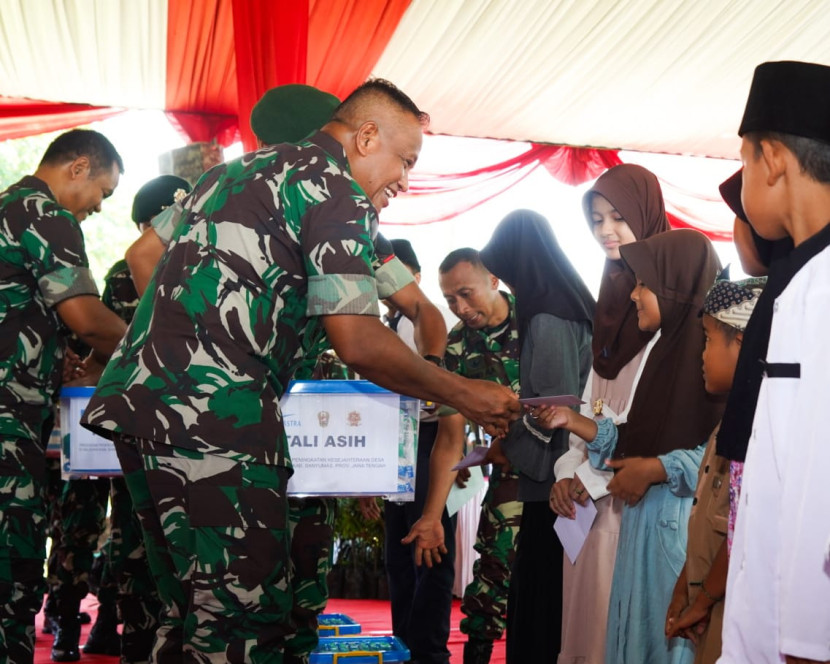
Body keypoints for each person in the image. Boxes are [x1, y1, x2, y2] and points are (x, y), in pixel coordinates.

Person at [81, 79, 519, 662]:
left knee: (188, 615)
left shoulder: (236, 171)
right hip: (218, 419)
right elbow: (358, 340)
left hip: (142, 412)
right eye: (406, 160)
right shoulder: (337, 191)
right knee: (246, 621)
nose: (406, 180)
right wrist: (463, 392)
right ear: (366, 137)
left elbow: (145, 256)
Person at [534, 228, 722, 664]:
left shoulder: (714, 363)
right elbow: (633, 438)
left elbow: (721, 465)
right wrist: (575, 421)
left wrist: (658, 469)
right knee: (629, 642)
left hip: (673, 533)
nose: (634, 295)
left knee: (663, 645)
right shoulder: (660, 359)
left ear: (674, 286)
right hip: (640, 529)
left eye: (644, 283)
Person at [0, 128, 127, 663]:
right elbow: (85, 316)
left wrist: (55, 358)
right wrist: (157, 348)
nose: (98, 208)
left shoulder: (8, 206)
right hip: (8, 423)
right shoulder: (46, 214)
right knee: (12, 569)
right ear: (78, 167)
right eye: (103, 192)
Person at [718, 60, 830, 664]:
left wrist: (810, 644)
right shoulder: (804, 277)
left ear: (773, 160)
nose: (743, 179)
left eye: (743, 161)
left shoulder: (826, 287)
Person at [550, 163, 670, 664]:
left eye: (618, 216)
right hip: (584, 506)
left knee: (613, 633)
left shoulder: (667, 313)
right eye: (596, 219)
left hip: (630, 503)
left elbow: (653, 426)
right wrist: (565, 472)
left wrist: (590, 479)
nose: (606, 231)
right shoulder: (609, 310)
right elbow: (587, 410)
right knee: (581, 628)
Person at [479, 210, 595, 664]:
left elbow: (550, 413)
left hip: (552, 486)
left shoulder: (547, 316)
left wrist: (507, 438)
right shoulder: (567, 304)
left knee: (539, 604)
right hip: (566, 478)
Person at [404, 247, 523, 664]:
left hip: (562, 464)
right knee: (491, 570)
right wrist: (432, 517)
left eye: (467, 294)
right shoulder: (455, 347)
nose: (460, 307)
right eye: (451, 298)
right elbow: (449, 440)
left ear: (494, 281)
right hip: (509, 472)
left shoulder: (537, 321)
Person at [663, 276, 765, 664]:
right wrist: (686, 587)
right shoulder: (727, 427)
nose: (701, 354)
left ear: (741, 341)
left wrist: (702, 599)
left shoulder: (756, 431)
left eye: (707, 340)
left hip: (735, 612)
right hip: (710, 603)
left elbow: (743, 528)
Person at [370, 238, 461, 664]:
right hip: (399, 443)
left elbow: (432, 402)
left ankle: (426, 650)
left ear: (413, 279)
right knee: (401, 553)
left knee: (428, 550)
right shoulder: (389, 325)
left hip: (429, 443)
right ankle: (405, 641)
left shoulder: (424, 323)